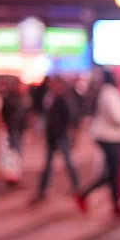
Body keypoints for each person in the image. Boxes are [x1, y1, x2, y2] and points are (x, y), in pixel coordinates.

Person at [75, 70, 120, 216]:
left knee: (112, 172)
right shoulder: (109, 93)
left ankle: (113, 202)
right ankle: (89, 195)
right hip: (110, 138)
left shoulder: (110, 92)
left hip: (113, 137)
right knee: (113, 172)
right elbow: (118, 117)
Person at [30, 76, 81, 205]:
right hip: (51, 135)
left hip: (60, 135)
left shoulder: (63, 99)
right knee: (48, 164)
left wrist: (72, 132)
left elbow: (70, 116)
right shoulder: (50, 97)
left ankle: (77, 186)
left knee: (67, 161)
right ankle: (43, 189)